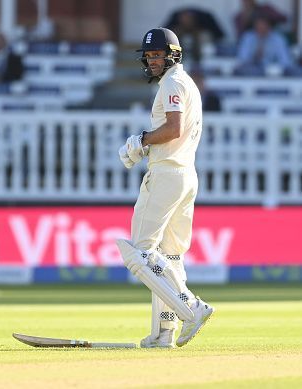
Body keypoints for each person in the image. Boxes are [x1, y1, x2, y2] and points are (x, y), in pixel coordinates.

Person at [117, 27, 214, 348]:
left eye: (157, 55)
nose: (152, 61)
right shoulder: (186, 83)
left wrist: (141, 140)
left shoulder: (172, 83)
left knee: (138, 253)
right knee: (170, 257)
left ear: (172, 55)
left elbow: (173, 129)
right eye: (149, 56)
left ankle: (191, 308)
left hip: (167, 174)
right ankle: (163, 334)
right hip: (186, 174)